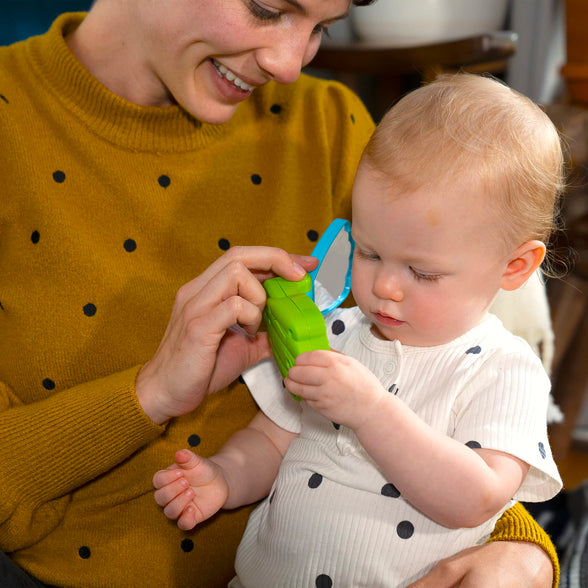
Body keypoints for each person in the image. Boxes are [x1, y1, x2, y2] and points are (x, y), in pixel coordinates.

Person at [0, 0, 558, 584]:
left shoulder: (333, 127)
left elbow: (454, 404)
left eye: (320, 27)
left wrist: (521, 554)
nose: (290, 64)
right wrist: (153, 392)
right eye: (267, 8)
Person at [153, 73, 564, 587]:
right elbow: (273, 440)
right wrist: (225, 476)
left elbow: (478, 497)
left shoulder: (503, 369)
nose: (386, 287)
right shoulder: (338, 331)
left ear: (514, 266)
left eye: (423, 273)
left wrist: (373, 412)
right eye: (369, 253)